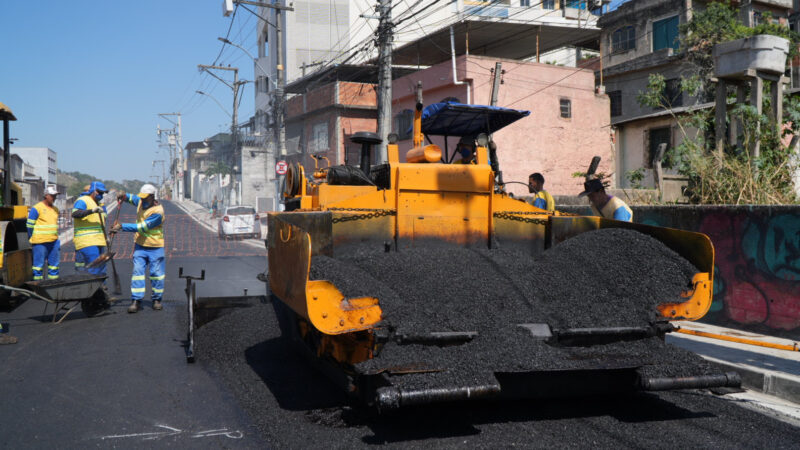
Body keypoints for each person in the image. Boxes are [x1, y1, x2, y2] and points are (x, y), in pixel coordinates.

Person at [111, 184, 165, 313]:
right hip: (140, 246)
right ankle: (136, 300)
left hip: (155, 247)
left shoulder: (158, 212)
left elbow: (142, 227)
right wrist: (123, 196)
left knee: (156, 275)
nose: (143, 200)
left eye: (146, 198)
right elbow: (132, 198)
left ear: (152, 197)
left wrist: (121, 226)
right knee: (137, 273)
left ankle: (157, 299)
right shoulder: (141, 202)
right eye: (143, 197)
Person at [72, 182, 109, 277]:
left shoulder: (100, 204)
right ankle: (93, 290)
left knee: (101, 268)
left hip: (99, 240)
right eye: (99, 192)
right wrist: (91, 211)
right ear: (93, 191)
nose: (101, 195)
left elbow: (101, 222)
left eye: (102, 193)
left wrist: (105, 237)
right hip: (87, 241)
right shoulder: (83, 200)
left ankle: (101, 288)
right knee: (94, 268)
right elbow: (75, 214)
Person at [27, 186, 61, 281]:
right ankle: (38, 289)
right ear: (46, 196)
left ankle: (53, 287)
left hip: (53, 242)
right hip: (40, 243)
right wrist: (31, 238)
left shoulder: (56, 210)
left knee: (54, 267)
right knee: (38, 267)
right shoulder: (37, 209)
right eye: (52, 195)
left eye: (55, 196)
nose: (54, 198)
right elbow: (29, 226)